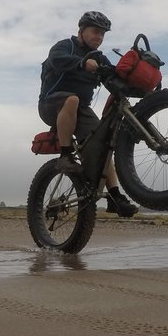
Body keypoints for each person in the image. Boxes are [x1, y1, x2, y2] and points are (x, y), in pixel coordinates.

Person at [38, 11, 138, 218]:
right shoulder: (65, 46)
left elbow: (114, 78)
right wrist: (82, 63)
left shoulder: (99, 58)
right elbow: (57, 59)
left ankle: (115, 197)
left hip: (80, 111)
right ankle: (65, 156)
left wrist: (136, 83)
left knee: (104, 143)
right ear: (81, 31)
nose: (99, 37)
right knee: (72, 99)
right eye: (95, 32)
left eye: (102, 34)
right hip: (51, 104)